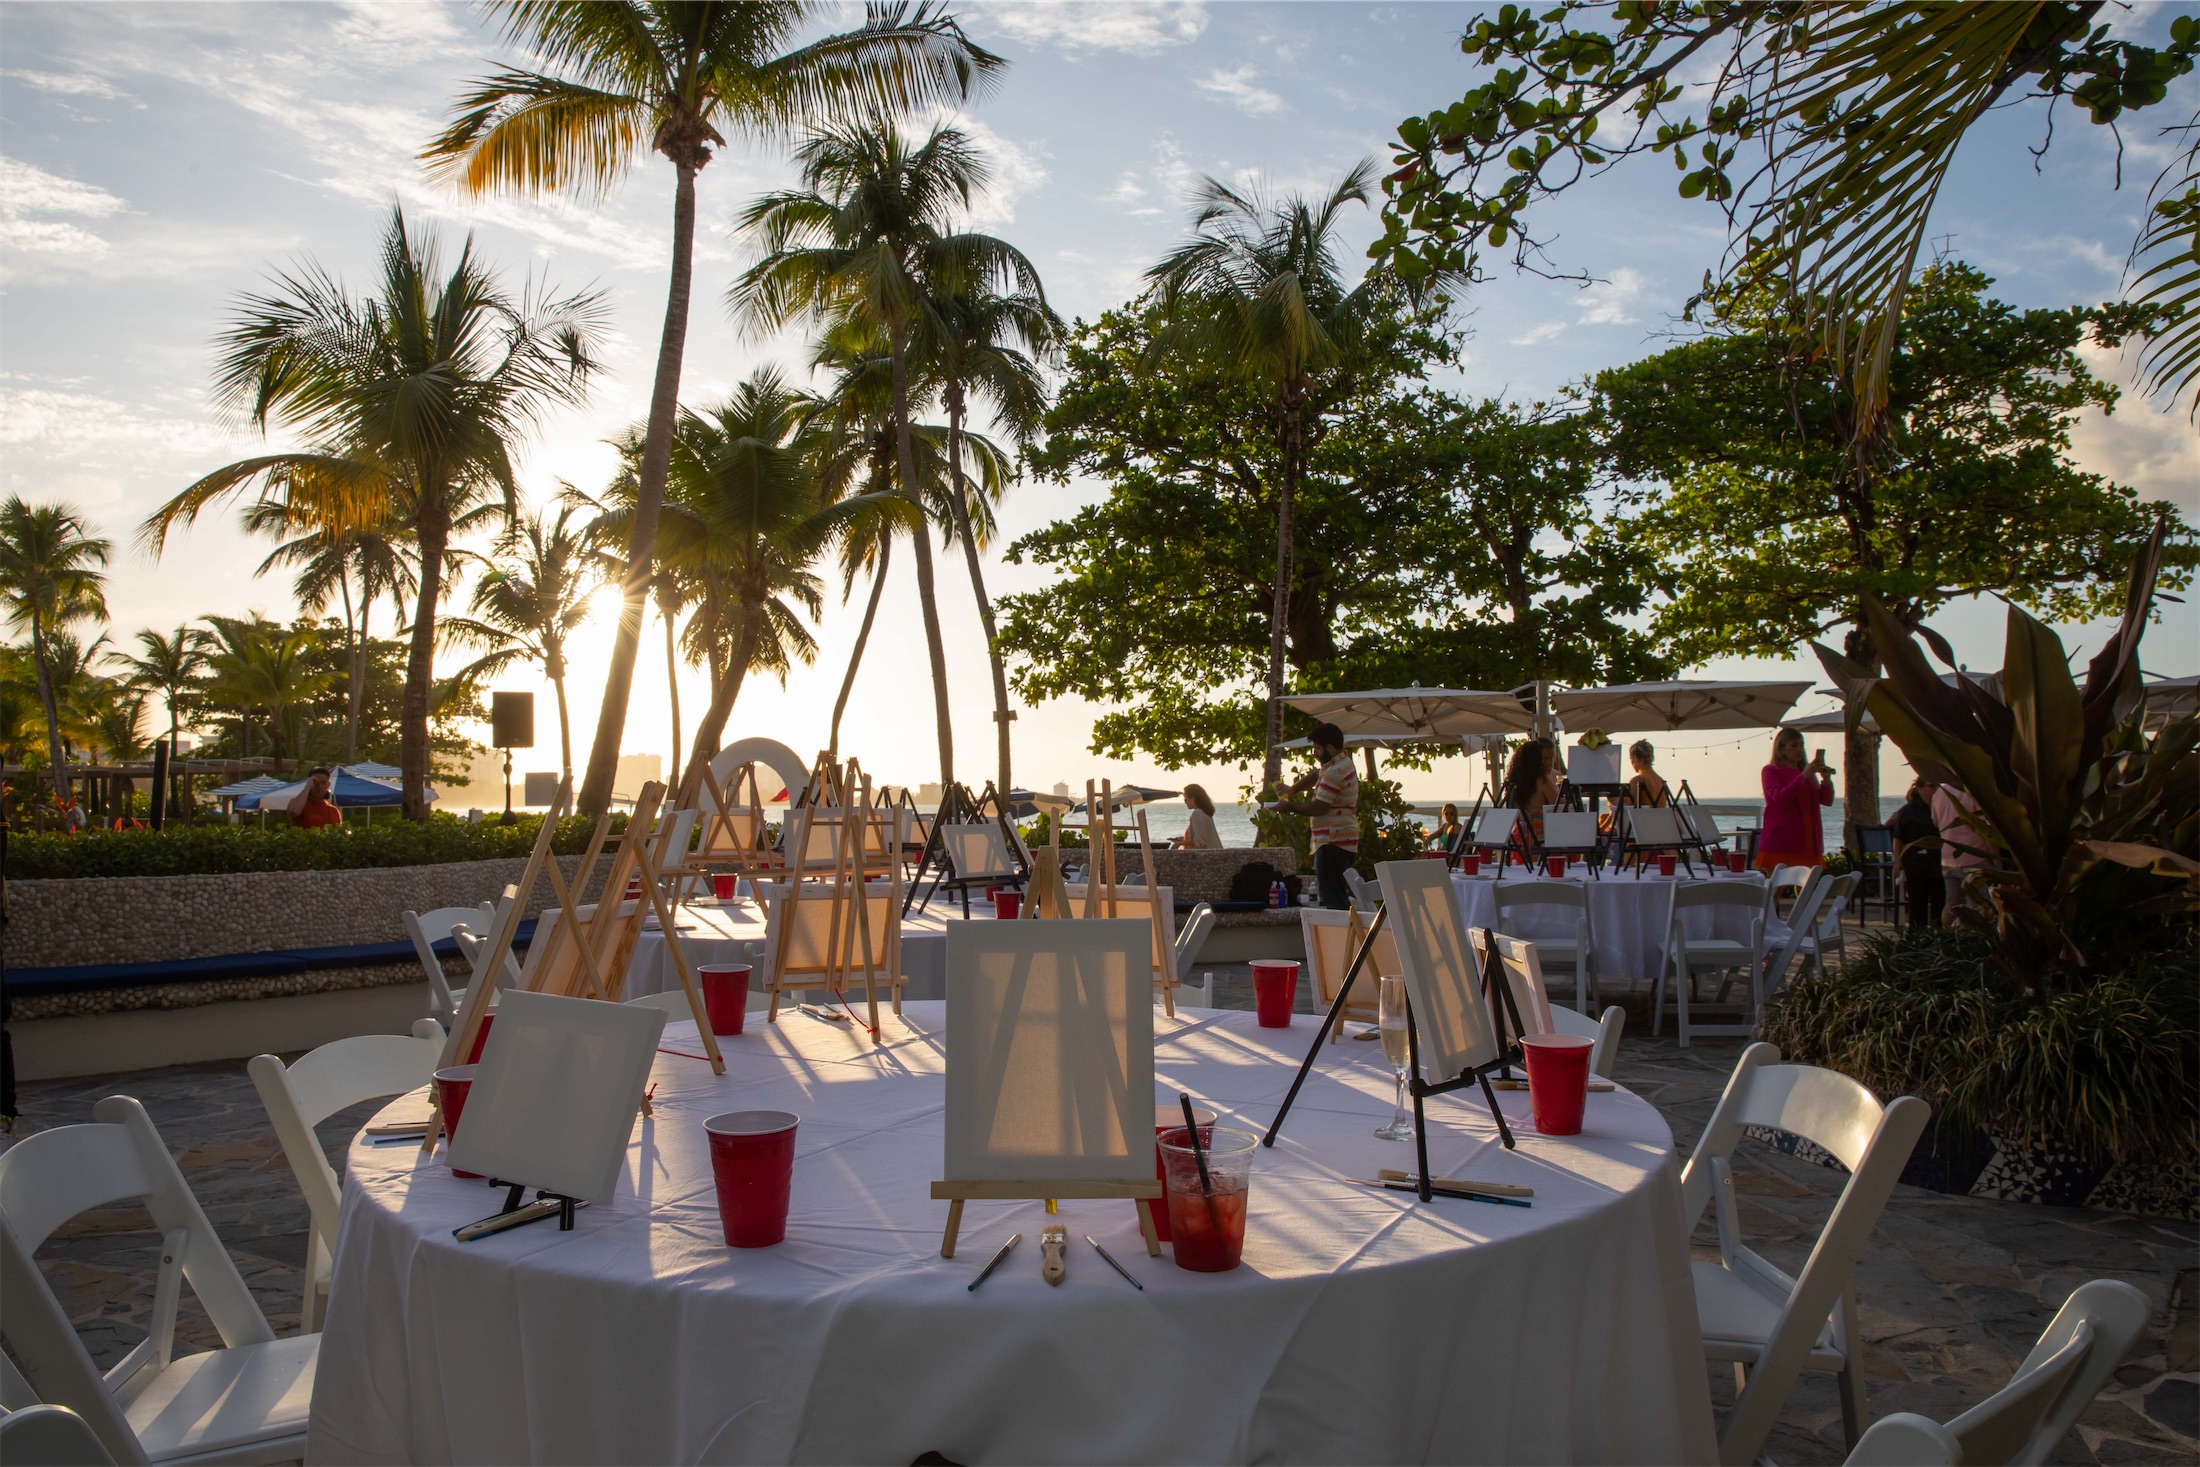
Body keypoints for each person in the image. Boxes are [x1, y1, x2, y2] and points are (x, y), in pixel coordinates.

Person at [1272, 722, 1358, 910]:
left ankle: (1342, 935)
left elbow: (1318, 807)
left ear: (1329, 748)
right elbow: (1315, 776)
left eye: (1317, 749)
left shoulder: (1334, 773)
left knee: (1332, 897)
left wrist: (1288, 806)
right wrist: (1292, 789)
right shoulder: (1343, 763)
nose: (1315, 753)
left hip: (1331, 841)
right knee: (1336, 892)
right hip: (1344, 839)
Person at [1755, 728, 1833, 870]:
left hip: (1808, 834)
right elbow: (1780, 797)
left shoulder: (1804, 772)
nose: (1799, 750)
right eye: (1794, 745)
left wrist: (1826, 780)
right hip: (1783, 836)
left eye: (1801, 745)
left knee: (1806, 881)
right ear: (1782, 748)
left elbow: (1825, 800)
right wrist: (1804, 776)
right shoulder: (1771, 771)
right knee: (1777, 883)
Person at [1931, 778, 1990, 923]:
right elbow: (1987, 828)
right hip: (1974, 856)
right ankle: (1974, 941)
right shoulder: (1972, 792)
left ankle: (1948, 939)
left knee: (1952, 904)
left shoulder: (1939, 793)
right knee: (1977, 905)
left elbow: (1935, 822)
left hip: (1948, 858)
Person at [1888, 779, 1943, 929]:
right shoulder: (1908, 811)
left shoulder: (1941, 806)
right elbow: (1898, 838)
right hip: (1916, 862)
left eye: (1937, 786)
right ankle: (1918, 938)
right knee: (1917, 903)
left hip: (1939, 860)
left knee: (1940, 902)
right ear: (1919, 788)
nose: (1936, 789)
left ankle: (1940, 936)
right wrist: (1897, 861)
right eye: (1932, 786)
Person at [1501, 738, 1559, 842]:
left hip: (1519, 838)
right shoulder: (1543, 781)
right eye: (1544, 759)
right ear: (1536, 760)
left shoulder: (1515, 780)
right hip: (1541, 840)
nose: (1549, 763)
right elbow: (1559, 806)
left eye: (1551, 759)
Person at [1175, 784, 1222, 849]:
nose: (1185, 802)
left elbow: (1200, 842)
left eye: (1186, 799)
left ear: (1193, 798)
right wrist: (1185, 840)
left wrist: (1179, 844)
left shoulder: (1198, 814)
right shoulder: (1205, 813)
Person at [1625, 740, 1670, 807]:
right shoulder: (1661, 781)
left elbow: (1629, 809)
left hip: (1643, 817)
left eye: (1631, 759)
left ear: (1635, 758)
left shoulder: (1638, 781)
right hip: (1659, 817)